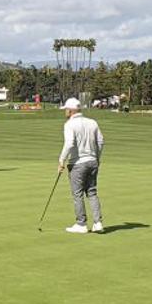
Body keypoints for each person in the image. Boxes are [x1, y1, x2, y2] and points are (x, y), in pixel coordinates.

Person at [59, 97, 105, 234]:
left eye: (66, 109)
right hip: (92, 161)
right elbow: (101, 141)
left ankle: (81, 224)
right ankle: (98, 223)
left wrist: (61, 160)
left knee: (77, 194)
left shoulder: (69, 124)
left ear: (70, 110)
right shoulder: (92, 122)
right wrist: (97, 158)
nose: (65, 112)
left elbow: (69, 143)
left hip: (77, 163)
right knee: (92, 193)